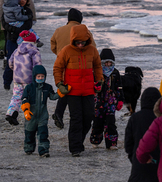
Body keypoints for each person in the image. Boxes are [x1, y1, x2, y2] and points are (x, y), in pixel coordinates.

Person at [52, 24, 102, 156]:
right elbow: (57, 68)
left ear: (87, 40)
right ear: (73, 40)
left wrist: (99, 80)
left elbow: (97, 66)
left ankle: (79, 141)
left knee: (89, 116)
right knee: (76, 119)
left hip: (88, 91)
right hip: (72, 91)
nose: (80, 45)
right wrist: (59, 83)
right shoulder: (66, 50)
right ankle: (75, 148)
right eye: (78, 42)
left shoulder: (92, 50)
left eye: (83, 42)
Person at [50, 8, 87, 129]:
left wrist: (60, 55)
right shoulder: (83, 32)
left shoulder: (59, 30)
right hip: (77, 66)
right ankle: (63, 114)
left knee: (66, 88)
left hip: (62, 66)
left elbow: (53, 46)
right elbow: (92, 48)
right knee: (73, 90)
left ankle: (58, 113)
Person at [20, 65, 58, 157]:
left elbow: (52, 97)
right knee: (29, 133)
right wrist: (26, 110)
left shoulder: (47, 87)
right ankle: (29, 148)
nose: (40, 78)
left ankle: (43, 150)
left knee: (43, 134)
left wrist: (60, 93)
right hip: (31, 115)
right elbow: (24, 99)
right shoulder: (29, 88)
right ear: (34, 77)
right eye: (38, 76)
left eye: (42, 76)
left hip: (42, 115)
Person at [90, 48, 124, 149]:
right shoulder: (96, 72)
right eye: (106, 62)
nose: (108, 64)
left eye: (110, 62)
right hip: (99, 101)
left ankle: (112, 143)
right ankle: (95, 140)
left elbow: (119, 87)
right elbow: (91, 85)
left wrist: (120, 99)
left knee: (111, 122)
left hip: (111, 101)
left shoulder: (115, 72)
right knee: (97, 122)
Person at [6, 31, 42, 125]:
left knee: (16, 97)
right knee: (31, 98)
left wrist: (16, 70)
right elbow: (37, 66)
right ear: (33, 41)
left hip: (17, 79)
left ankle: (11, 114)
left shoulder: (17, 50)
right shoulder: (34, 51)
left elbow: (10, 62)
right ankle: (31, 117)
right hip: (29, 79)